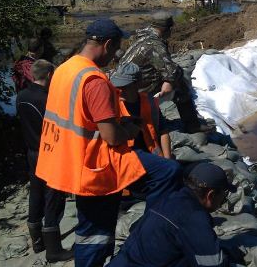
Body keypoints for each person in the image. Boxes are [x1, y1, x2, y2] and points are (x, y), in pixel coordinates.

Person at [35, 19, 182, 267]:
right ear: (107, 44)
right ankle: (153, 230)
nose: (114, 56)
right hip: (95, 165)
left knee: (91, 228)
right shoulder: (94, 80)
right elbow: (111, 136)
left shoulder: (63, 69)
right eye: (114, 50)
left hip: (67, 159)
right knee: (168, 172)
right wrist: (130, 129)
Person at [108, 162, 233, 267]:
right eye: (223, 194)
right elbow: (214, 264)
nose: (223, 200)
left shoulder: (169, 198)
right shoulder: (194, 217)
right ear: (210, 195)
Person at [16, 59, 73, 262]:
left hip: (31, 151)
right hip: (49, 151)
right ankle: (54, 249)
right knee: (53, 198)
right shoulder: (50, 99)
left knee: (36, 193)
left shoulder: (21, 96)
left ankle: (37, 241)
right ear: (49, 75)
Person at [118, 12, 212, 134]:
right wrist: (169, 81)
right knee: (180, 81)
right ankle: (192, 125)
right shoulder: (154, 44)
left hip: (126, 82)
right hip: (137, 87)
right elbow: (172, 71)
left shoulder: (140, 35)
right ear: (165, 29)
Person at [111, 62, 172, 159]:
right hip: (128, 158)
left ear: (137, 84)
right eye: (117, 86)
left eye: (124, 86)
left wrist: (167, 159)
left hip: (152, 154)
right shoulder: (112, 106)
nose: (120, 90)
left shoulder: (150, 102)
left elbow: (163, 132)